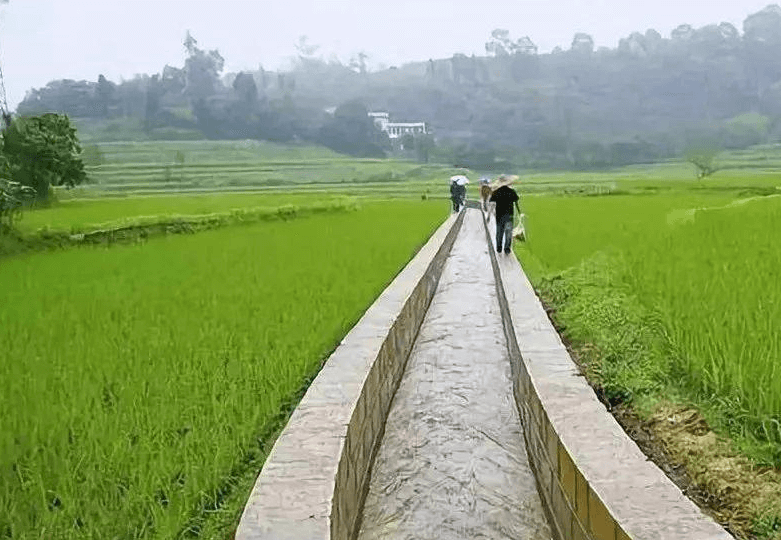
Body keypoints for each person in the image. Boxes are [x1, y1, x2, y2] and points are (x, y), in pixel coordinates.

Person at [489, 175, 520, 254]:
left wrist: (489, 215)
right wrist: (519, 212)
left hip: (499, 216)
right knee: (508, 233)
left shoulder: (496, 192)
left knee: (499, 232)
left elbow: (492, 204)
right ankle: (507, 249)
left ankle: (499, 248)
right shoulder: (511, 191)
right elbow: (516, 202)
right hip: (509, 215)